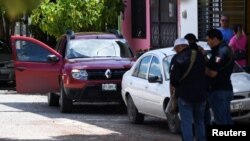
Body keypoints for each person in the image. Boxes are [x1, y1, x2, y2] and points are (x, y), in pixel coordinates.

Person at [170, 38, 207, 141]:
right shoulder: (200, 56)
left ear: (180, 47)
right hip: (201, 95)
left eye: (176, 48)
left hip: (185, 95)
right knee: (200, 122)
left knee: (186, 123)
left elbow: (174, 80)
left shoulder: (177, 59)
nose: (176, 51)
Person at [205, 28, 234, 125]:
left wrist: (203, 69)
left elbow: (213, 73)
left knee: (221, 121)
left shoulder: (220, 52)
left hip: (218, 91)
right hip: (225, 89)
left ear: (215, 39)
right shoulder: (225, 49)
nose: (207, 43)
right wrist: (205, 57)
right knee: (227, 120)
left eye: (208, 40)